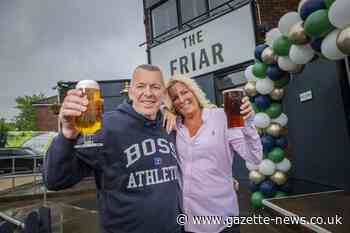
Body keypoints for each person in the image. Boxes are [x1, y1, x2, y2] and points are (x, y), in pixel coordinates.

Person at [43, 64, 182, 233]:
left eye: (155, 87)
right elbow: (55, 180)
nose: (148, 93)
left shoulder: (170, 125)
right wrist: (67, 134)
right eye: (140, 86)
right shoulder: (105, 127)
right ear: (130, 91)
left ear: (163, 93)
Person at [165, 75, 263, 233]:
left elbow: (254, 157)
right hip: (189, 222)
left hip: (222, 219)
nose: (181, 99)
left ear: (195, 92)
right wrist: (165, 111)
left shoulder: (222, 116)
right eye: (175, 97)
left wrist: (248, 122)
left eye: (185, 92)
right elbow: (148, 107)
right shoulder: (174, 126)